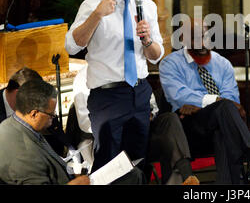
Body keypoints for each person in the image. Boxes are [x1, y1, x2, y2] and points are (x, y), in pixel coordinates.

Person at [159, 18, 250, 184]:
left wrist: (205, 103)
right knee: (224, 112)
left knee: (223, 122)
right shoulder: (170, 64)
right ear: (182, 38)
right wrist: (216, 101)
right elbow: (179, 95)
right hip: (189, 130)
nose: (201, 41)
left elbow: (232, 100)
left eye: (204, 35)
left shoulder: (222, 64)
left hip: (220, 124)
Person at [65, 0, 164, 171]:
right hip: (107, 97)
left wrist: (148, 40)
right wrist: (97, 15)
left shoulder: (147, 6)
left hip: (139, 93)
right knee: (108, 165)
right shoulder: (93, 4)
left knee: (139, 163)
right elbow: (72, 45)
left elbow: (157, 57)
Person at [70, 64, 199, 185]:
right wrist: (122, 119)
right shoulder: (84, 77)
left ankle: (186, 175)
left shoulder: (133, 68)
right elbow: (85, 123)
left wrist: (148, 115)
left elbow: (152, 105)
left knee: (169, 120)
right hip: (107, 138)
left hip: (141, 131)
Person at [0, 79, 145, 185]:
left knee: (131, 174)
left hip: (69, 178)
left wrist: (73, 174)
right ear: (34, 114)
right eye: (51, 115)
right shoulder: (24, 154)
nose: (52, 119)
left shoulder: (8, 125)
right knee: (133, 177)